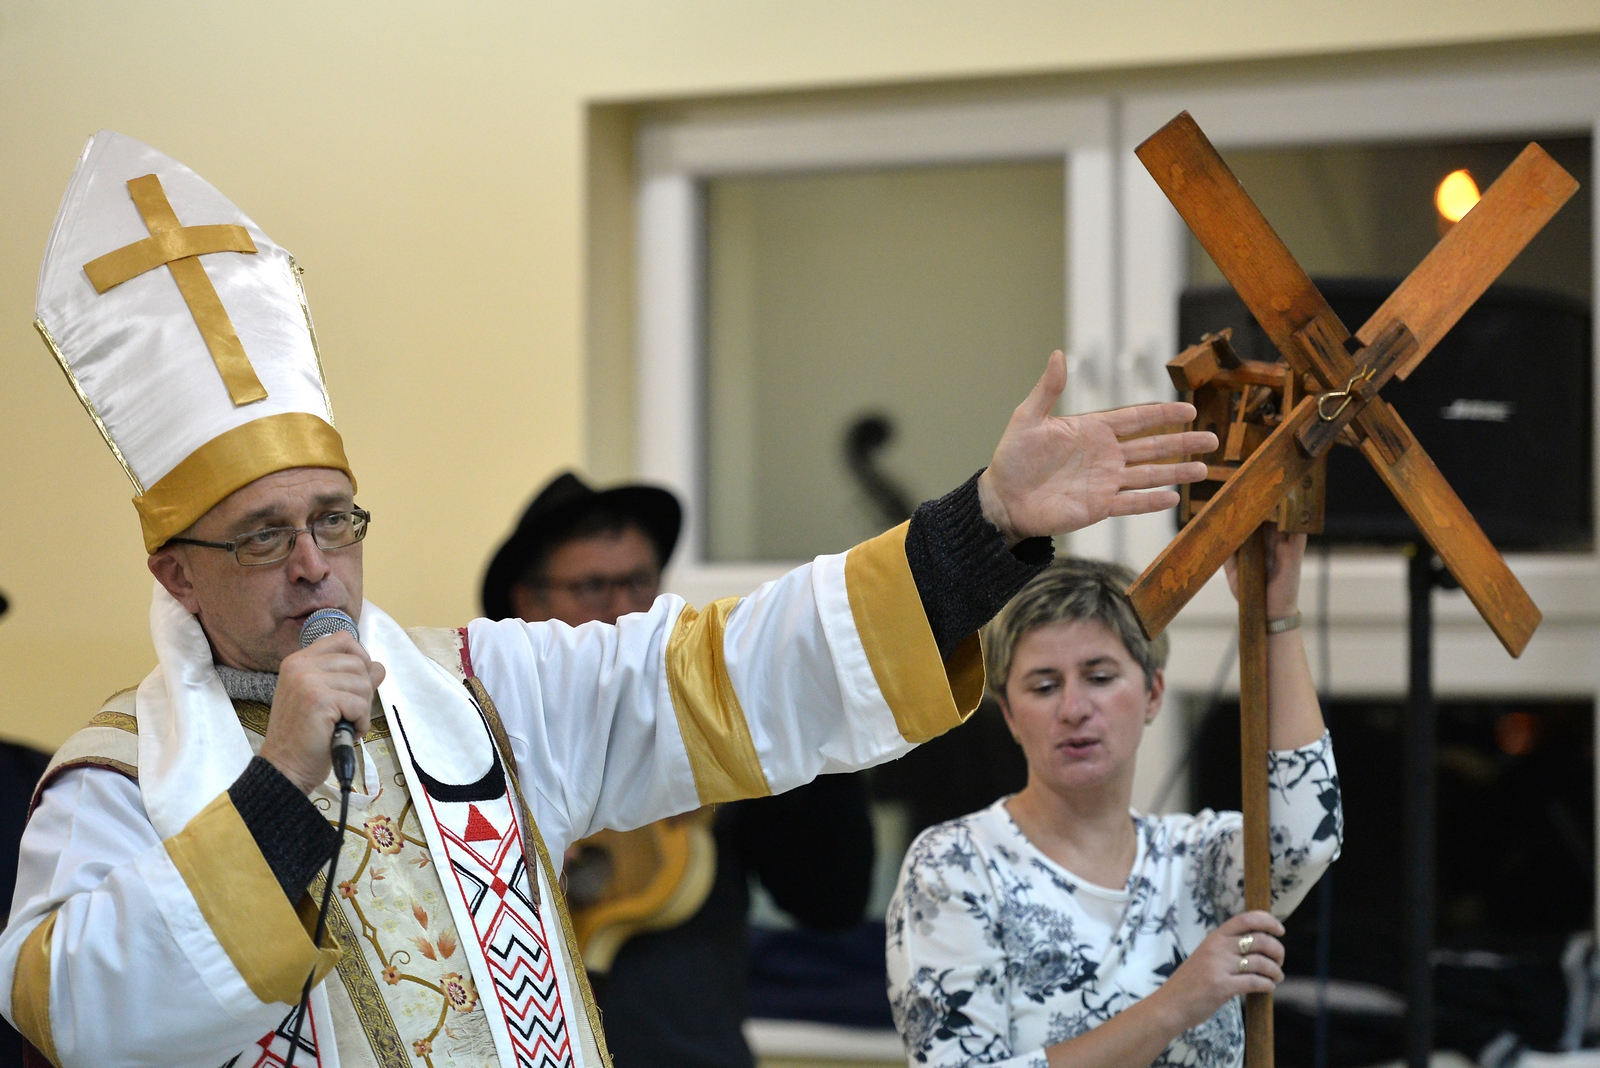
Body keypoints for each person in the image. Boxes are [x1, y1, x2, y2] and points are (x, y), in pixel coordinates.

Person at [0, 130, 1214, 1068]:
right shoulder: (111, 786)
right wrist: (281, 780)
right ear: (175, 569)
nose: (315, 563)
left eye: (334, 519)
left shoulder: (483, 694)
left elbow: (728, 670)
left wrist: (981, 526)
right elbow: (82, 1018)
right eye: (265, 537)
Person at [887, 542, 1342, 1068]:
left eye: (1100, 678)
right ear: (1010, 714)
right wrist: (1175, 1004)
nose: (1074, 709)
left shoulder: (1194, 862)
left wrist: (1277, 614)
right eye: (1044, 685)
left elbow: (1307, 836)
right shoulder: (955, 865)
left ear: (1153, 694)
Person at [481, 473, 875, 1068]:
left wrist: (811, 710)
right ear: (526, 602)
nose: (624, 608)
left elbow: (831, 900)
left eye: (639, 581)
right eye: (592, 586)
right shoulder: (467, 731)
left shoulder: (713, 721)